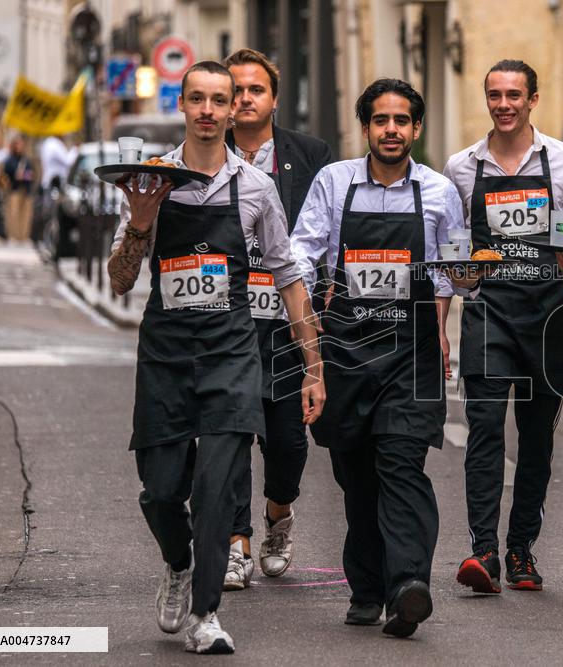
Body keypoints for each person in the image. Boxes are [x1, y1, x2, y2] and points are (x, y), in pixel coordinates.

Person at [106, 61, 325, 655]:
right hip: (167, 354)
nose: (207, 110)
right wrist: (141, 226)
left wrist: (314, 364)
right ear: (183, 105)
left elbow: (287, 275)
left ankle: (206, 612)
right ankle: (178, 565)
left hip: (232, 354)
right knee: (160, 489)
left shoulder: (256, 189)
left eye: (219, 100)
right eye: (196, 99)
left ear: (234, 111)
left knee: (217, 485)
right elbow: (120, 282)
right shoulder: (148, 179)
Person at [289, 78, 474, 637]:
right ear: (366, 126)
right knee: (356, 474)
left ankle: (408, 585)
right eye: (380, 120)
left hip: (411, 350)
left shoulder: (440, 192)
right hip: (347, 346)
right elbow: (302, 250)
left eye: (401, 121)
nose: (391, 130)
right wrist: (305, 317)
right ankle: (367, 588)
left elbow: (450, 270)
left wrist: (444, 320)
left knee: (401, 464)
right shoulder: (333, 182)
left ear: (416, 128)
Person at [443, 59, 563, 594]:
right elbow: (453, 242)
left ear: (533, 99)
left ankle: (521, 550)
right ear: (486, 99)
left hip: (548, 313)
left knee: (536, 444)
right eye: (495, 95)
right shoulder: (462, 167)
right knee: (485, 435)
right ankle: (483, 550)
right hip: (489, 312)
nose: (504, 104)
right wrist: (459, 275)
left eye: (514, 94)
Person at [220, 47, 333, 592]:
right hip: (228, 324)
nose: (244, 98)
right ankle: (236, 543)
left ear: (274, 98)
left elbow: (331, 230)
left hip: (289, 320)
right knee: (232, 434)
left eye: (255, 89)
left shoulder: (311, 155)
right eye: (235, 90)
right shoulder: (205, 157)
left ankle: (277, 518)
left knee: (288, 444)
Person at [1, 135, 36, 242]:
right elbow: (6, 174)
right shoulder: (10, 160)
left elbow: (32, 174)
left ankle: (24, 236)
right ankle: (13, 236)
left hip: (26, 190)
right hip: (14, 190)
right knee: (13, 213)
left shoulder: (27, 160)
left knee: (26, 214)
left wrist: (24, 176)